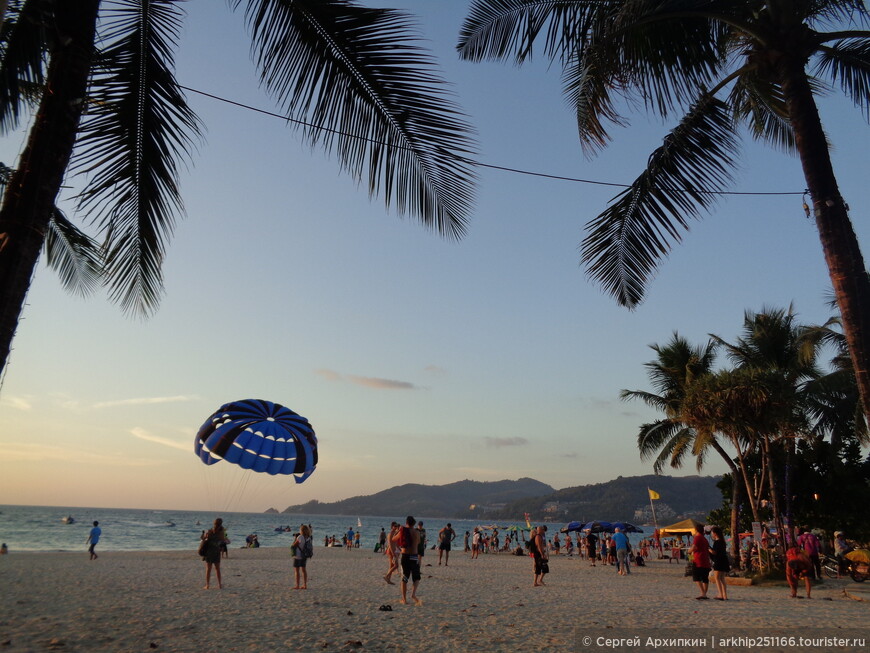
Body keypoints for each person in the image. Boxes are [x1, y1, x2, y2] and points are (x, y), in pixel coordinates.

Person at [392, 516, 422, 605]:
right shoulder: (417, 532)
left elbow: (393, 539)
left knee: (404, 578)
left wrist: (397, 531)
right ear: (414, 523)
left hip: (405, 556)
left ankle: (404, 599)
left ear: (406, 523)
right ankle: (413, 594)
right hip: (414, 556)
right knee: (416, 577)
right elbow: (419, 542)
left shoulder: (403, 531)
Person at [689, 525, 712, 600]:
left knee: (696, 577)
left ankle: (703, 593)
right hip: (705, 559)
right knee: (705, 578)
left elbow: (694, 547)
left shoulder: (697, 537)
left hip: (698, 559)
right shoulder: (705, 539)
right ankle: (704, 593)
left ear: (696, 530)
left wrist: (689, 551)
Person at [201, 518, 225, 589]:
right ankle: (219, 584)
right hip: (217, 551)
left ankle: (207, 585)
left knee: (208, 569)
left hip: (209, 552)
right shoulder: (221, 532)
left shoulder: (209, 531)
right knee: (217, 569)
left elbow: (203, 538)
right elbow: (223, 540)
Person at [709, 526, 730, 600]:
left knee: (717, 578)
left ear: (715, 533)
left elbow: (714, 552)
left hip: (718, 561)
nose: (711, 534)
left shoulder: (717, 542)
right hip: (724, 560)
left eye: (712, 533)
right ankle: (725, 595)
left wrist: (709, 549)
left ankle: (720, 594)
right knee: (722, 578)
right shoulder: (722, 541)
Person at [291, 524, 312, 589]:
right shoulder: (308, 538)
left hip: (298, 556)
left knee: (297, 570)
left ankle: (297, 585)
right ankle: (305, 585)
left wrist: (295, 538)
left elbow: (294, 545)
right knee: (304, 570)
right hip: (304, 556)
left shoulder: (300, 537)